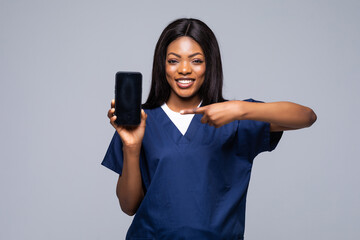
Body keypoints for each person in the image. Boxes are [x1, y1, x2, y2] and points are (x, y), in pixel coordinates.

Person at [102, 18, 317, 240]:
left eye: (196, 60)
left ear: (209, 65)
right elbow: (128, 206)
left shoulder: (232, 119)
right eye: (174, 60)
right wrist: (131, 146)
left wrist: (239, 109)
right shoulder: (140, 121)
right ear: (162, 65)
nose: (184, 69)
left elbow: (307, 116)